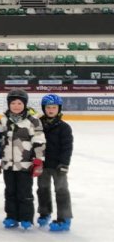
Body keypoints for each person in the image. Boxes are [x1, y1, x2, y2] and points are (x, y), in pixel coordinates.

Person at [0, 89, 46, 230]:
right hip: (8, 164)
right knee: (10, 192)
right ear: (9, 104)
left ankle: (26, 218)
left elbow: (39, 141)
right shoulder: (4, 120)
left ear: (25, 104)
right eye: (13, 103)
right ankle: (11, 216)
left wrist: (38, 159)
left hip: (25, 164)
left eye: (19, 103)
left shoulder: (33, 121)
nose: (16, 106)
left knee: (24, 192)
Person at [37, 94, 73, 231]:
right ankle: (44, 212)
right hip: (42, 164)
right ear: (44, 108)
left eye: (54, 107)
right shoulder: (38, 125)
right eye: (48, 107)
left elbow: (67, 147)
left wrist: (64, 164)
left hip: (58, 166)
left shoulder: (64, 127)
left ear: (59, 109)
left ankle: (64, 218)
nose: (51, 110)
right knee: (42, 189)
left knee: (61, 191)